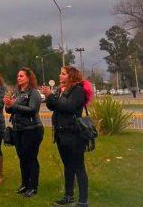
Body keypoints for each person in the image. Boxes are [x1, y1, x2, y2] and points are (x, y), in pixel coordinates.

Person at [42, 66, 92, 207]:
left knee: (78, 167)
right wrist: (49, 97)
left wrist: (52, 96)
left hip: (74, 135)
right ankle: (68, 196)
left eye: (63, 74)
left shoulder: (78, 90)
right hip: (61, 134)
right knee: (68, 166)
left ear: (71, 76)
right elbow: (55, 107)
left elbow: (69, 107)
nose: (60, 76)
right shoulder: (62, 90)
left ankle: (83, 201)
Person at [4, 67, 44, 198]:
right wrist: (8, 105)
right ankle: (25, 184)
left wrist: (13, 105)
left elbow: (32, 110)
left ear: (28, 77)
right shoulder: (17, 92)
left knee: (30, 158)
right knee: (22, 158)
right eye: (18, 76)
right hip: (18, 129)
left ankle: (33, 187)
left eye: (21, 76)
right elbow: (10, 110)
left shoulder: (34, 93)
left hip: (32, 129)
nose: (18, 78)